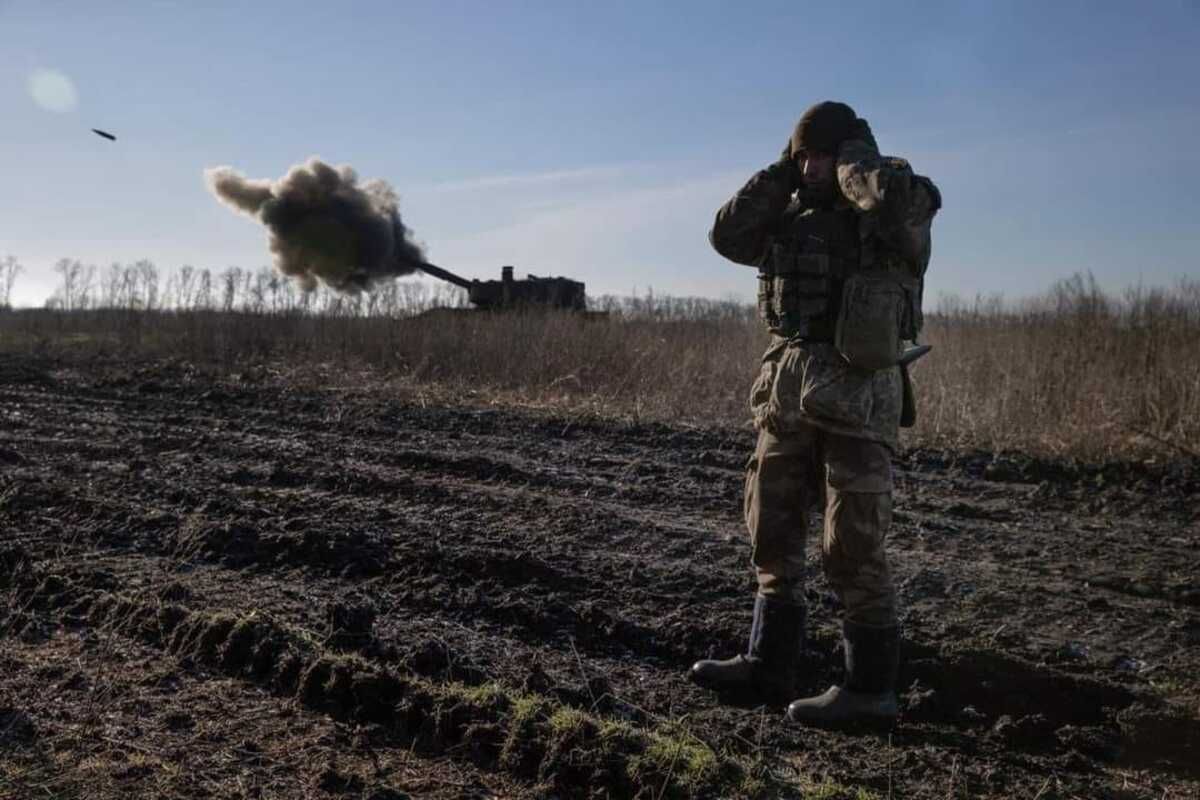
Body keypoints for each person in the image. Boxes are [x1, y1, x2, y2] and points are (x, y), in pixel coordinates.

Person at [691, 101, 940, 725]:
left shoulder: (897, 201)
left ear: (851, 154)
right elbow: (726, 237)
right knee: (771, 531)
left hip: (857, 398)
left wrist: (856, 159)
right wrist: (782, 172)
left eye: (820, 155)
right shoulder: (789, 211)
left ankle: (869, 691)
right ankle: (768, 667)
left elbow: (889, 203)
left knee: (851, 544)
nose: (809, 166)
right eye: (801, 155)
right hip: (787, 388)